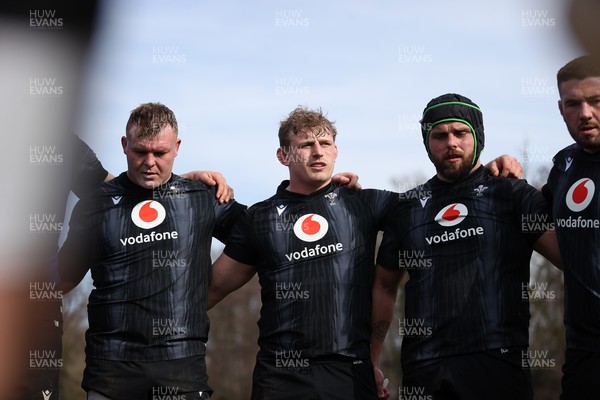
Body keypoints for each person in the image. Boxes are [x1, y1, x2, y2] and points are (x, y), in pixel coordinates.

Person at [207, 105, 522, 399]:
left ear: (336, 151)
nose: (318, 151)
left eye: (325, 143)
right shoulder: (259, 218)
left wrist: (488, 170)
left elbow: (442, 195)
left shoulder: (367, 203)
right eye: (305, 145)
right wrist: (190, 182)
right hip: (279, 375)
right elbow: (213, 287)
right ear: (283, 155)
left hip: (350, 374)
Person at [371, 93, 562, 400]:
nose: (451, 143)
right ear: (427, 142)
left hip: (498, 362)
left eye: (460, 133)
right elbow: (383, 286)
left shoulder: (511, 194)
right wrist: (373, 360)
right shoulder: (406, 207)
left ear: (478, 136)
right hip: (423, 368)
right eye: (439, 135)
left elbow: (572, 258)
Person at [57, 102, 246, 399]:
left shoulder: (201, 197)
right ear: (124, 145)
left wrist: (208, 291)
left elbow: (262, 236)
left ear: (177, 147)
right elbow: (62, 277)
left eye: (160, 153)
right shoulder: (96, 205)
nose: (149, 162)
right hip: (110, 373)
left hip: (182, 372)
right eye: (139, 151)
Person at [542, 54, 600, 400]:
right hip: (584, 353)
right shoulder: (564, 165)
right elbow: (533, 222)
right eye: (573, 103)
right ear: (561, 108)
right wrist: (499, 176)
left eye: (596, 101)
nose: (585, 113)